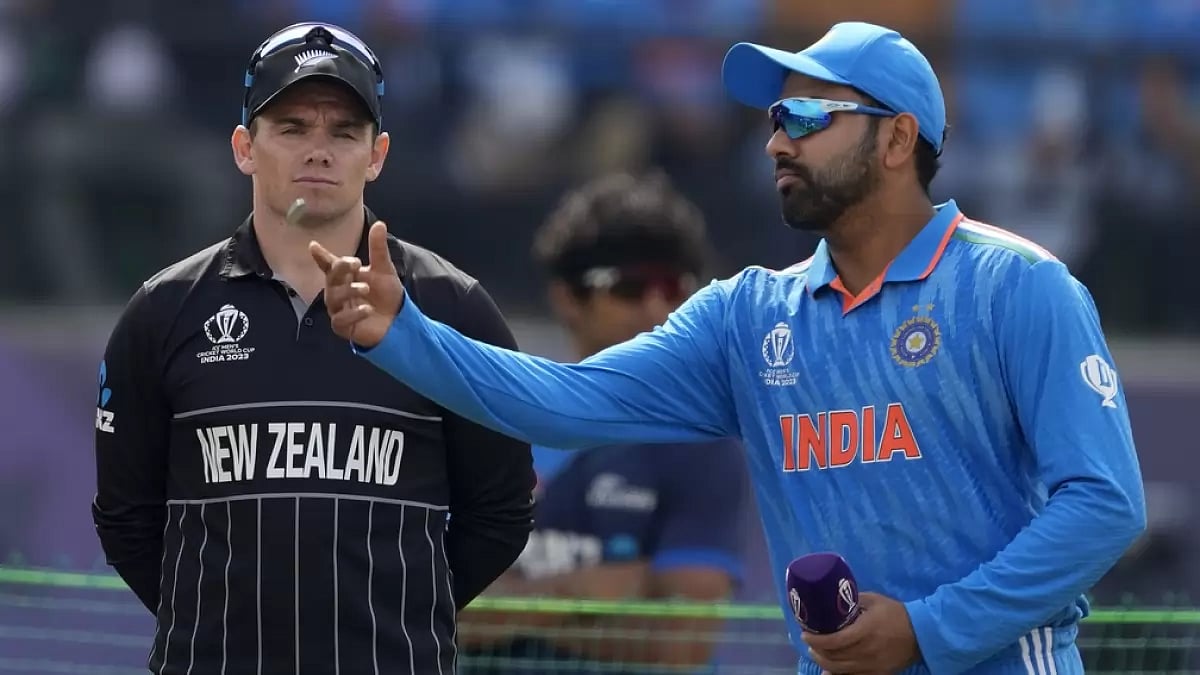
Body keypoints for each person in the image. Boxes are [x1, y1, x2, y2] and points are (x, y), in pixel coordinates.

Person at [312, 21, 1147, 675]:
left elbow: (1104, 505)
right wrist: (402, 334)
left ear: (898, 140)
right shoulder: (749, 316)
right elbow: (560, 403)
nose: (778, 141)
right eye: (775, 118)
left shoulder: (1018, 286)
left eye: (809, 117)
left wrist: (929, 630)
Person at [91, 22, 535, 675]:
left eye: (344, 131)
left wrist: (405, 620)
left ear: (376, 154)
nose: (318, 150)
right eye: (292, 128)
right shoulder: (163, 310)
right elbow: (126, 517)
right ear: (245, 147)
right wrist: (214, 626)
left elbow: (500, 512)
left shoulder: (454, 306)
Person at [456, 173, 752, 673]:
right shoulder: (488, 426)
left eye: (675, 288)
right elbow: (427, 616)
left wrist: (514, 604)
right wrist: (578, 593)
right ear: (567, 298)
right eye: (629, 287)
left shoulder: (704, 445)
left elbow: (680, 649)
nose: (659, 309)